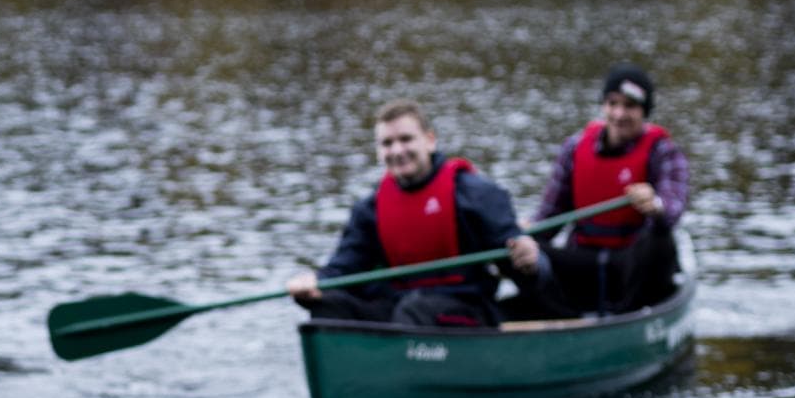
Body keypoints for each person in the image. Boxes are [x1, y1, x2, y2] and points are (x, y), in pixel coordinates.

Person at [288, 100, 540, 329]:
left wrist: (530, 260)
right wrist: (316, 283)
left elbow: (523, 263)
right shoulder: (369, 209)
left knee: (414, 309)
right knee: (328, 305)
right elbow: (345, 268)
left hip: (466, 309)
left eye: (406, 139)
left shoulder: (475, 194)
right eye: (387, 143)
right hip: (400, 309)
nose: (397, 151)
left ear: (430, 140)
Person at [533, 64, 687, 315]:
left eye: (630, 106)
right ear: (603, 105)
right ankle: (560, 312)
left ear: (644, 111)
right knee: (517, 248)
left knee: (661, 238)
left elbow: (673, 206)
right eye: (612, 103)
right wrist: (523, 236)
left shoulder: (663, 151)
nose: (619, 114)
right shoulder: (574, 148)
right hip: (583, 260)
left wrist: (655, 205)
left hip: (633, 263)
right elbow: (549, 216)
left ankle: (634, 314)